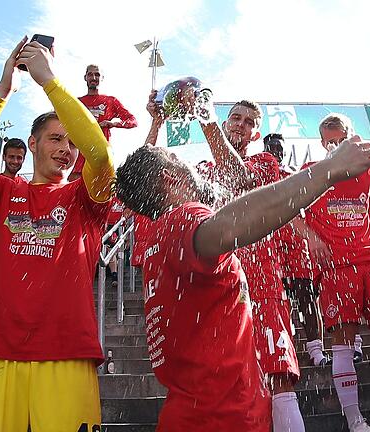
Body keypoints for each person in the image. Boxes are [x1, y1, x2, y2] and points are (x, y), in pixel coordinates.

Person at [115, 133, 370, 430]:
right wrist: (329, 168)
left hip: (194, 413)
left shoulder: (158, 239)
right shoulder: (183, 216)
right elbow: (230, 227)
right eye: (178, 159)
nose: (190, 164)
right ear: (169, 178)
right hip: (221, 419)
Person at [0, 37, 115, 431]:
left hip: (66, 355)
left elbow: (101, 156)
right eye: (56, 139)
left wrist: (52, 83)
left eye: (71, 142)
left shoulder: (85, 195)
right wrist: (4, 89)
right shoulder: (4, 190)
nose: (66, 149)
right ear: (33, 143)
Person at [146, 95, 305, 431]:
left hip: (263, 283)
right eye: (235, 118)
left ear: (255, 133)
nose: (240, 125)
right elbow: (151, 185)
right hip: (219, 295)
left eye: (248, 122)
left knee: (280, 379)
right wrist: (157, 122)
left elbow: (240, 178)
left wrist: (206, 119)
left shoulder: (265, 163)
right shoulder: (200, 171)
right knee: (227, 387)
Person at [294, 114, 370, 432]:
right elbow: (289, 209)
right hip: (337, 269)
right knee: (342, 341)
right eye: (329, 141)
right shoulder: (311, 172)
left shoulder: (369, 171)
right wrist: (312, 238)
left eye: (340, 139)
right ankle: (355, 421)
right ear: (321, 142)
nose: (335, 146)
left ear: (350, 136)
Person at [264, 133, 330, 367]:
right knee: (275, 299)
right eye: (271, 147)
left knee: (306, 295)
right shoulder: (258, 176)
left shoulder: (294, 176)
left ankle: (316, 350)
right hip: (269, 246)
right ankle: (282, 350)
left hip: (296, 245)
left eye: (279, 148)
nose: (276, 151)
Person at [70, 64, 137, 180]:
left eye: (97, 74)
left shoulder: (110, 101)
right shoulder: (76, 102)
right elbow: (62, 124)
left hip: (101, 158)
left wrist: (113, 124)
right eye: (90, 74)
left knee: (102, 196)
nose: (94, 78)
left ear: (102, 78)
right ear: (85, 77)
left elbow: (133, 121)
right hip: (79, 163)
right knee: (74, 196)